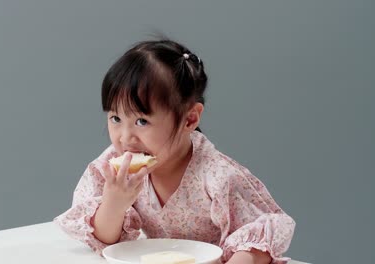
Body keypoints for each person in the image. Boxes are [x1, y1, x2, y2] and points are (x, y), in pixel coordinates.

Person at [54, 39, 295, 264]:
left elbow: (259, 241)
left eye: (141, 122)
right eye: (116, 118)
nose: (125, 137)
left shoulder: (218, 176)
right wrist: (114, 204)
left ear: (189, 119)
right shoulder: (113, 167)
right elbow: (105, 240)